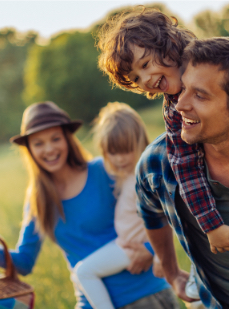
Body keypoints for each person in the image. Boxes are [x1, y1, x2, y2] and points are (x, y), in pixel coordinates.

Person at [97, 6, 229, 304]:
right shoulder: (172, 117)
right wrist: (209, 225)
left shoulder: (221, 59)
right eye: (135, 77)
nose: (145, 79)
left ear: (169, 45)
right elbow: (184, 168)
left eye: (146, 64)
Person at [0, 101, 177, 309]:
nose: (48, 149)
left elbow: (160, 207)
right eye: (38, 143)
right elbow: (24, 262)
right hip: (90, 304)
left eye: (55, 138)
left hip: (143, 296)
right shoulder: (37, 200)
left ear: (68, 139)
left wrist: (151, 249)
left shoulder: (105, 171)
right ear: (29, 149)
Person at [73, 102, 174, 309]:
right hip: (124, 242)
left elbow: (168, 214)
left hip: (132, 247)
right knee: (80, 274)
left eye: (126, 150)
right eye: (112, 152)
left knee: (83, 272)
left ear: (139, 143)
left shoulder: (143, 178)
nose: (119, 159)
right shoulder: (124, 175)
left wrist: (158, 255)